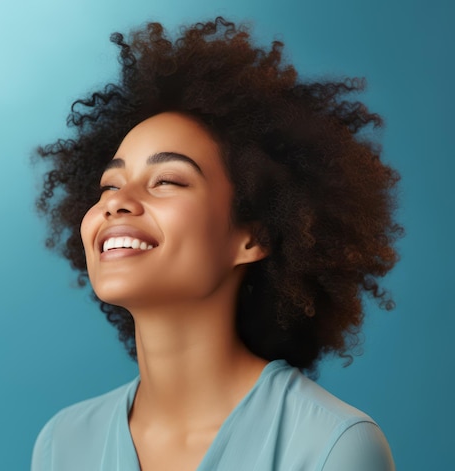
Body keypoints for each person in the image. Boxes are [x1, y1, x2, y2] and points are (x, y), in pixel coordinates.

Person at [31, 17, 401, 471]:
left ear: (254, 236)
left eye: (166, 180)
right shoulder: (61, 445)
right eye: (109, 186)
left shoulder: (331, 446)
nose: (117, 204)